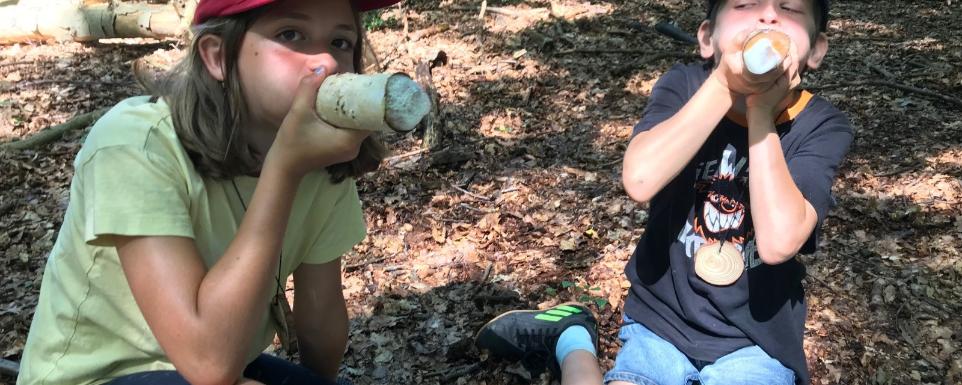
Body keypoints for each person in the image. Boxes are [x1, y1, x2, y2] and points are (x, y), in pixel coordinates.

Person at [16, 0, 401, 384]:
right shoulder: (136, 143)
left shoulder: (322, 158)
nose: (327, 63)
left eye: (340, 42)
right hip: (100, 374)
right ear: (218, 56)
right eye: (290, 35)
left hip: (228, 360)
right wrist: (284, 169)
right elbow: (208, 366)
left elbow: (320, 317)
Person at [476, 0, 852, 384]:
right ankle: (573, 337)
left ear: (817, 49)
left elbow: (778, 242)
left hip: (756, 342)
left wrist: (760, 111)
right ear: (707, 38)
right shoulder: (686, 85)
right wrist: (723, 83)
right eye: (744, 4)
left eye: (789, 9)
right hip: (661, 322)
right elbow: (640, 180)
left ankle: (571, 337)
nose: (768, 16)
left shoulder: (821, 125)